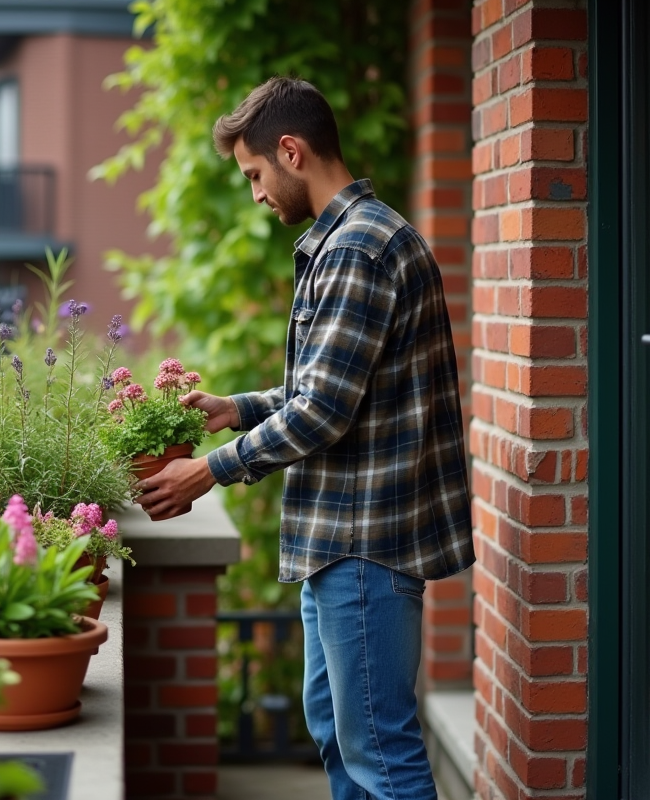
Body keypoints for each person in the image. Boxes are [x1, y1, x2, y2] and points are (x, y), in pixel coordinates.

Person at [135, 76, 474, 800]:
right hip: (341, 542)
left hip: (363, 544)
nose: (256, 194)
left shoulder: (358, 248)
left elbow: (322, 411)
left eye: (255, 174)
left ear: (291, 151)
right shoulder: (350, 240)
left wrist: (210, 471)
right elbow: (328, 389)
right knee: (339, 738)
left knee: (379, 754)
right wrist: (236, 407)